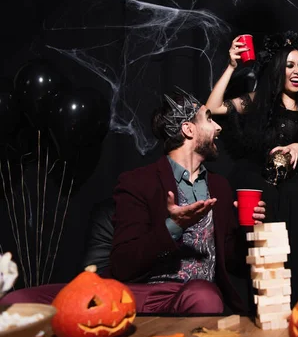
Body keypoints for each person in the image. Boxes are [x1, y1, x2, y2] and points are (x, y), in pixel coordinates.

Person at [0, 89, 267, 315]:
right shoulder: (139, 182)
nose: (219, 127)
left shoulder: (219, 186)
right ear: (188, 129)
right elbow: (123, 264)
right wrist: (172, 226)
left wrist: (248, 229)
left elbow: (234, 265)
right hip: (142, 293)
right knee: (16, 302)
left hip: (194, 295)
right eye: (209, 119)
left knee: (204, 295)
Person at [205, 31, 298, 304]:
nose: (297, 72)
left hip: (294, 189)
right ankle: (264, 305)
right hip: (260, 185)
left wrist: (297, 147)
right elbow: (211, 108)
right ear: (277, 69)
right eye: (290, 65)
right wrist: (232, 67)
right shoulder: (256, 100)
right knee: (264, 205)